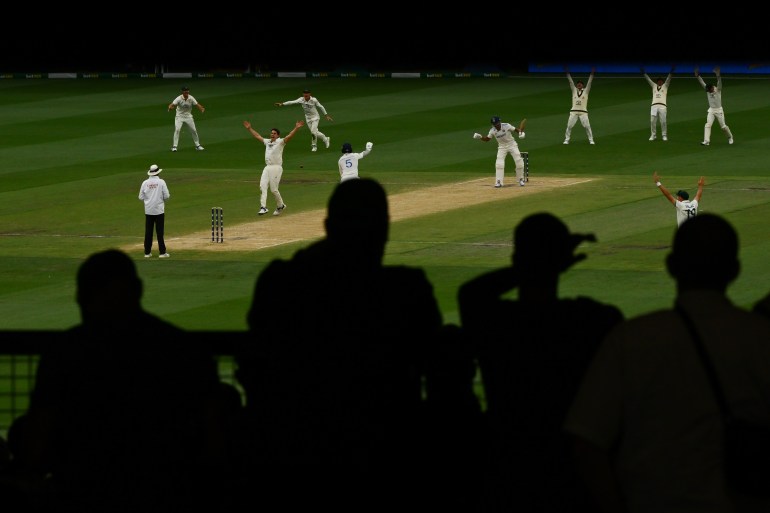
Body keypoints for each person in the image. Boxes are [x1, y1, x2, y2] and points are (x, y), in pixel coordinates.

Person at [236, 178, 457, 508]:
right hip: (388, 459)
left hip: (292, 459)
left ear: (326, 225)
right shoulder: (407, 291)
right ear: (384, 228)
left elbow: (256, 369)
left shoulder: (281, 284)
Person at [564, 213, 770, 513]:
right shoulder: (761, 337)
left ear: (671, 267)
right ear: (735, 270)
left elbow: (584, 440)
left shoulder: (630, 339)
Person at [14, 249, 229, 513]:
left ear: (81, 297)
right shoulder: (185, 350)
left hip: (83, 497)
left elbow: (37, 446)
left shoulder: (65, 354)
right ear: (139, 290)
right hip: (170, 497)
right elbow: (215, 445)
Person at [458, 212, 624, 512]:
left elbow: (471, 295)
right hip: (570, 472)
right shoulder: (588, 322)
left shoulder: (499, 325)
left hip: (507, 470)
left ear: (517, 258)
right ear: (562, 260)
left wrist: (532, 266)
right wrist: (554, 259)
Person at [242, 119, 304, 216]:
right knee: (262, 186)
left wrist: (296, 128)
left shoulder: (280, 142)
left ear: (278, 135)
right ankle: (263, 207)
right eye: (271, 133)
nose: (272, 134)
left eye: (274, 133)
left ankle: (280, 205)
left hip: (276, 167)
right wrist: (250, 128)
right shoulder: (267, 142)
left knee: (273, 189)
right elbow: (257, 136)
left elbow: (289, 136)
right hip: (267, 167)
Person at [474, 116, 526, 188]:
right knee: (499, 164)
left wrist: (521, 133)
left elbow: (517, 130)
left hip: (512, 144)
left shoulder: (506, 125)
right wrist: (480, 137)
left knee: (519, 160)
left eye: (498, 123)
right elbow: (487, 139)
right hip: (502, 147)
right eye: (495, 124)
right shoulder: (492, 130)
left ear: (500, 122)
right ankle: (498, 182)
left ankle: (521, 179)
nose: (497, 125)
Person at [695, 66, 734, 146]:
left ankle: (730, 137)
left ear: (712, 88)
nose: (708, 92)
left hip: (719, 110)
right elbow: (702, 82)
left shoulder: (718, 90)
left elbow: (719, 82)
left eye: (709, 90)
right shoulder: (708, 90)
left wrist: (718, 75)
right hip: (711, 110)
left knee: (723, 127)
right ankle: (706, 141)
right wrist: (697, 75)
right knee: (708, 124)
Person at [138, 164, 171, 258]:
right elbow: (167, 196)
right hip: (159, 210)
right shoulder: (161, 182)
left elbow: (140, 197)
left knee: (148, 232)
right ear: (158, 172)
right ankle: (162, 252)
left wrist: (148, 200)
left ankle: (147, 253)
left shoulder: (145, 183)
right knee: (160, 232)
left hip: (148, 210)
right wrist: (160, 199)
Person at [167, 85, 205, 152]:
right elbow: (172, 105)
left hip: (188, 116)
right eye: (185, 91)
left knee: (193, 130)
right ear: (182, 92)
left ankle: (197, 145)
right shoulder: (178, 98)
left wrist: (201, 108)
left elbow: (197, 104)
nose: (186, 93)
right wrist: (170, 108)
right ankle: (174, 146)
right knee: (177, 130)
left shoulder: (191, 98)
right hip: (179, 117)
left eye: (187, 91)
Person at [563, 66, 596, 145]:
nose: (579, 85)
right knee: (569, 126)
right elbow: (571, 82)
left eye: (580, 84)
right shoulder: (574, 91)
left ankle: (591, 140)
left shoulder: (586, 91)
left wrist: (592, 74)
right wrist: (567, 73)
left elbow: (589, 83)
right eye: (578, 84)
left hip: (583, 112)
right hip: (573, 112)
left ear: (583, 85)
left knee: (587, 126)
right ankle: (567, 139)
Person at [642, 65, 674, 141]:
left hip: (662, 106)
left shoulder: (665, 86)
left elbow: (668, 79)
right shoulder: (653, 86)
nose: (660, 82)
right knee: (652, 121)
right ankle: (653, 135)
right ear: (657, 82)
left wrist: (671, 72)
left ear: (662, 82)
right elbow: (648, 79)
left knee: (663, 121)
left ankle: (664, 135)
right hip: (654, 106)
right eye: (658, 81)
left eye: (661, 81)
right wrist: (644, 73)